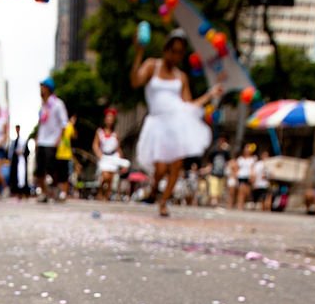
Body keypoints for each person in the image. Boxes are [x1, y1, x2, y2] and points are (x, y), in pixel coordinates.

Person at [131, 27, 221, 217]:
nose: (176, 56)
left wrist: (208, 95)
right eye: (173, 50)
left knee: (176, 164)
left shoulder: (181, 77)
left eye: (180, 52)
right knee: (160, 168)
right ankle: (155, 188)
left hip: (177, 122)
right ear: (166, 49)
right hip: (157, 122)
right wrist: (139, 51)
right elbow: (135, 82)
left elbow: (188, 105)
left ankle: (163, 202)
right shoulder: (151, 65)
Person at [35, 76, 68, 202]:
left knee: (52, 169)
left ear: (48, 89)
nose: (41, 90)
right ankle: (44, 193)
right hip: (42, 141)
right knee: (39, 171)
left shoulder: (58, 104)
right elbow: (41, 125)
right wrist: (37, 139)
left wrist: (58, 139)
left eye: (43, 87)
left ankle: (55, 191)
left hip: (52, 142)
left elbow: (64, 123)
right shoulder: (42, 106)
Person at [93, 108, 124, 200]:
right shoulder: (100, 132)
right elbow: (95, 145)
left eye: (111, 118)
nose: (109, 120)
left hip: (113, 157)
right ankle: (100, 191)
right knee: (105, 176)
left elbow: (118, 148)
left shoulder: (115, 134)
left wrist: (121, 160)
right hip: (104, 156)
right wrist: (99, 154)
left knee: (111, 179)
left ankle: (106, 196)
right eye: (108, 118)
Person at [56, 114, 77, 200]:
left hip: (66, 154)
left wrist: (72, 125)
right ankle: (59, 191)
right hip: (58, 153)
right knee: (58, 174)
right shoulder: (58, 125)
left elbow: (74, 136)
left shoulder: (70, 126)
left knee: (65, 175)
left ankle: (64, 193)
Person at [205, 135, 231, 206]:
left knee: (219, 191)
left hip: (222, 174)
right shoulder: (213, 152)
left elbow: (228, 162)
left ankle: (216, 203)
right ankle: (214, 202)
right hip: (214, 173)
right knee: (214, 188)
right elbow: (210, 163)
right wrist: (208, 170)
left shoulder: (226, 153)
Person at [8, 124, 30, 198]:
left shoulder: (23, 140)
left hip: (21, 161)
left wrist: (22, 153)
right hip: (15, 162)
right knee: (15, 176)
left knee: (22, 175)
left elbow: (27, 152)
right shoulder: (13, 141)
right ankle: (16, 191)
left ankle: (23, 191)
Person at [235, 144, 256, 209]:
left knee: (247, 192)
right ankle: (239, 205)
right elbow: (236, 168)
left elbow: (252, 168)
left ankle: (243, 204)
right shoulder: (240, 159)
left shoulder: (252, 159)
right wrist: (235, 176)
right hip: (241, 176)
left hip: (248, 177)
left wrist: (252, 177)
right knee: (241, 191)